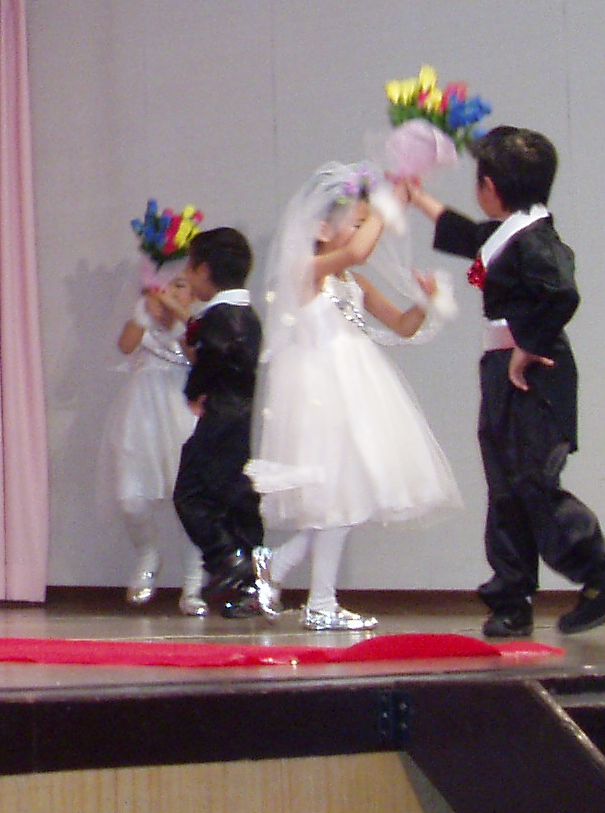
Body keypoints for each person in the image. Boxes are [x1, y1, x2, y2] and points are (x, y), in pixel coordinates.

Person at [404, 127, 605, 639]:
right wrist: (417, 196)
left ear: (489, 187)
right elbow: (470, 236)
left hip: (537, 371)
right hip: (503, 369)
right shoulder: (511, 232)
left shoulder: (536, 239)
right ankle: (512, 599)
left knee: (532, 482)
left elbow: (563, 292)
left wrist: (529, 345)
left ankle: (603, 576)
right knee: (506, 489)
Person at [250, 165, 461, 632]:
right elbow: (358, 250)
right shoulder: (305, 271)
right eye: (357, 222)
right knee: (337, 499)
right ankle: (316, 599)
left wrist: (426, 301)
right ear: (322, 229)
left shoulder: (353, 282)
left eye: (366, 222)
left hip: (356, 389)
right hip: (319, 394)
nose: (365, 232)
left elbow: (401, 325)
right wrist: (389, 203)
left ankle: (284, 570)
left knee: (345, 495)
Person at [169, 227, 274, 619]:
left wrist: (194, 389)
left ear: (204, 270)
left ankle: (228, 559)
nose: (188, 277)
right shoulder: (247, 315)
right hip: (239, 417)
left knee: (191, 493)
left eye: (190, 269)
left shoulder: (219, 316)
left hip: (221, 417)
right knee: (234, 498)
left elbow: (211, 359)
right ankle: (248, 583)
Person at [112, 269, 204, 612]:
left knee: (189, 502)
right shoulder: (144, 316)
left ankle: (193, 584)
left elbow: (198, 358)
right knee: (130, 498)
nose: (170, 292)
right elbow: (125, 346)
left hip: (181, 411)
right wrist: (143, 313)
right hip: (141, 415)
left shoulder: (195, 322)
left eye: (180, 285)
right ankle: (147, 555)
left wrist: (180, 320)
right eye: (163, 285)